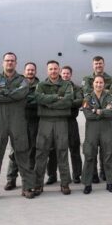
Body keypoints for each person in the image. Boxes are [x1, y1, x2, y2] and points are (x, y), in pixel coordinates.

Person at [0, 52, 35, 201]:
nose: (9, 63)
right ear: (2, 63)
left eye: (12, 61)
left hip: (18, 122)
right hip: (0, 122)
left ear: (16, 63)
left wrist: (4, 93)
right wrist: (13, 94)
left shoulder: (22, 80)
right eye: (7, 60)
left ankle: (27, 187)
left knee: (23, 154)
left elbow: (22, 93)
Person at [33, 60, 73, 195]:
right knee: (41, 153)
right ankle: (38, 184)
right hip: (45, 122)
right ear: (47, 70)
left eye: (56, 69)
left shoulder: (67, 84)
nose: (53, 71)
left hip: (61, 122)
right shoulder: (41, 85)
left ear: (59, 69)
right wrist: (57, 98)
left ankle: (65, 184)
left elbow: (68, 101)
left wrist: (48, 103)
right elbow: (39, 98)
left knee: (62, 152)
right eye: (51, 69)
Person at [82, 56, 112, 182]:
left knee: (106, 151)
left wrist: (98, 108)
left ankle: (105, 173)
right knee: (91, 151)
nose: (98, 65)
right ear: (93, 65)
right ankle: (93, 175)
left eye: (100, 63)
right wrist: (103, 107)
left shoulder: (111, 79)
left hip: (106, 124)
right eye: (96, 63)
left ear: (104, 64)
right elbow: (87, 93)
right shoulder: (86, 79)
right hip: (93, 125)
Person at [4, 61, 39, 191]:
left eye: (32, 70)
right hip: (18, 121)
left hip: (34, 122)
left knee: (31, 152)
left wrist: (23, 98)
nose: (30, 72)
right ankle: (11, 180)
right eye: (28, 70)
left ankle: (29, 181)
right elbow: (15, 97)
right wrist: (27, 99)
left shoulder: (39, 85)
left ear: (35, 71)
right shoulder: (19, 83)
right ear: (24, 71)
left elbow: (38, 100)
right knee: (15, 152)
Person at [45, 66, 83, 184]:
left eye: (68, 73)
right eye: (64, 73)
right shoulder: (57, 87)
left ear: (71, 75)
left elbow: (79, 101)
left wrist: (64, 102)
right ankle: (52, 175)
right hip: (57, 121)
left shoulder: (76, 88)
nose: (66, 75)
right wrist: (65, 102)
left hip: (71, 122)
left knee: (74, 149)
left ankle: (76, 175)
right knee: (53, 150)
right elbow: (51, 100)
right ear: (61, 74)